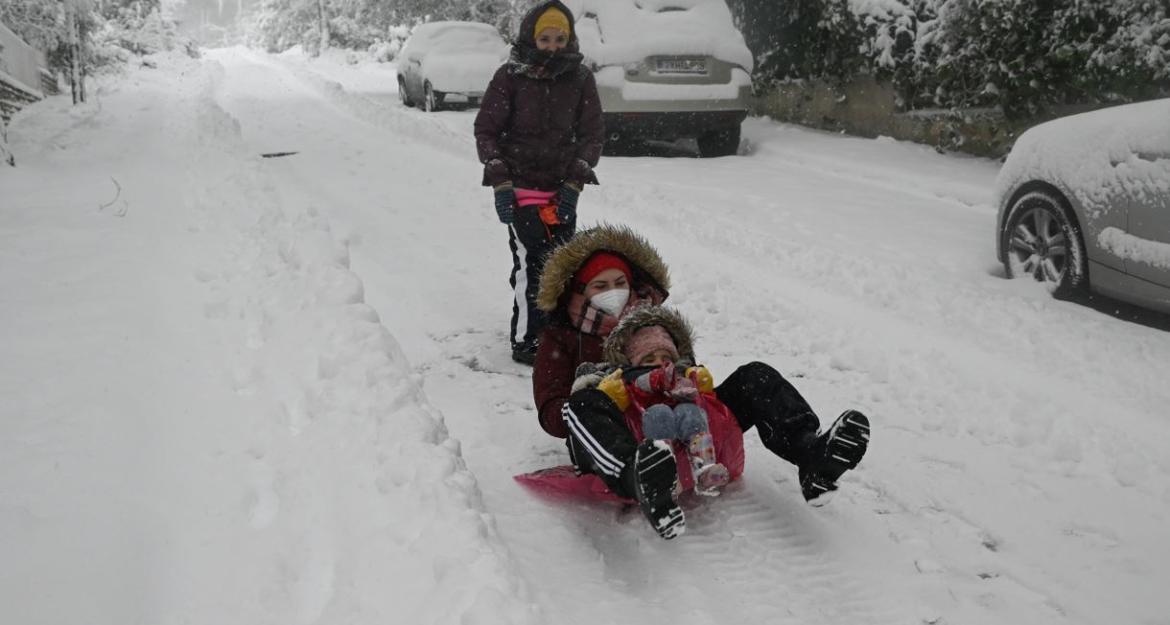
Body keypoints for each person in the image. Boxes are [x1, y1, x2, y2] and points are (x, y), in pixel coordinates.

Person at [534, 224, 872, 540]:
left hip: (679, 423)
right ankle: (638, 476)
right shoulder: (561, 336)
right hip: (615, 435)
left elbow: (688, 374)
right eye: (600, 286)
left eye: (619, 283)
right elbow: (552, 414)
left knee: (755, 376)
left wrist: (678, 376)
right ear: (579, 291)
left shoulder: (655, 322)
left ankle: (810, 454)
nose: (613, 293)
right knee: (581, 405)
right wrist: (602, 389)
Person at [474, 0, 604, 365]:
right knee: (532, 261)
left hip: (562, 187)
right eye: (545, 38)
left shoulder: (580, 79)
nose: (552, 45)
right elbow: (487, 131)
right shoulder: (510, 77)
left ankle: (560, 335)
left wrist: (575, 182)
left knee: (563, 263)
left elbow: (592, 135)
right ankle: (528, 339)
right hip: (519, 188)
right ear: (532, 37)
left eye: (559, 38)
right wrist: (500, 180)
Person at [593, 305, 739, 501]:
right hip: (647, 422)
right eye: (649, 358)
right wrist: (658, 378)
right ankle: (665, 474)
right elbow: (638, 390)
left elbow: (699, 396)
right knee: (659, 413)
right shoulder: (634, 379)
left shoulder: (681, 374)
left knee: (692, 413)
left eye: (665, 357)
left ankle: (704, 468)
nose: (659, 362)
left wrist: (694, 384)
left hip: (682, 419)